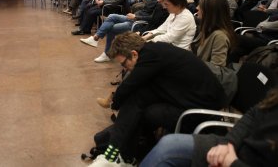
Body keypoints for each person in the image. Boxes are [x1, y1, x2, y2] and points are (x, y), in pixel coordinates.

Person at [88, 32, 226, 167]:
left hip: (203, 111)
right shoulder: (154, 51)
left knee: (144, 110)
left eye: (124, 64)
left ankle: (117, 156)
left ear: (134, 54)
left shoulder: (151, 57)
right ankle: (122, 156)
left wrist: (115, 104)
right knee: (138, 100)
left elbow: (129, 85)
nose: (124, 68)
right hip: (190, 98)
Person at [139, 87, 278, 167]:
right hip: (238, 147)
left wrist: (232, 163)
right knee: (167, 145)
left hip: (238, 162)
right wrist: (228, 142)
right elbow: (254, 113)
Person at [79, 0, 167, 63]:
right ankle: (96, 38)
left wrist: (136, 16)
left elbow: (152, 19)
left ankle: (105, 51)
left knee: (111, 28)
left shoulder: (159, 4)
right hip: (135, 18)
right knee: (111, 16)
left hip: (138, 23)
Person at [192, 0, 236, 67]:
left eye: (200, 6)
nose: (197, 7)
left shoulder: (220, 36)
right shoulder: (207, 28)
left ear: (209, 11)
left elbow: (216, 69)